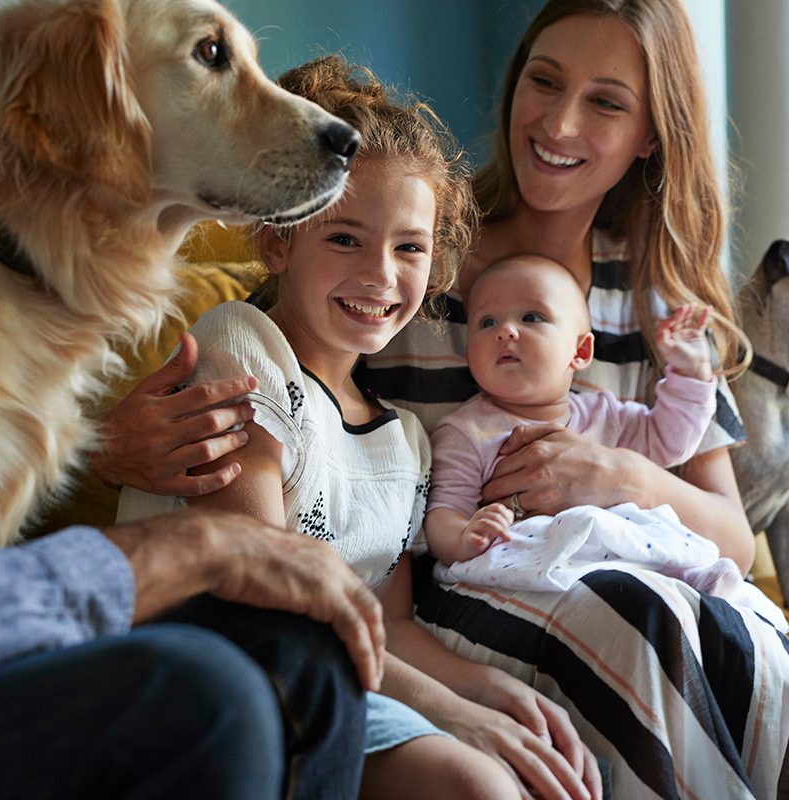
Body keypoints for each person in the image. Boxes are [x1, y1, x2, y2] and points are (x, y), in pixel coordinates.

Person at [97, 1, 789, 796]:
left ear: (651, 133)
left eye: (605, 101)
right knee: (640, 619)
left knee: (729, 632)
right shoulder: (410, 246)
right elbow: (274, 361)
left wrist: (617, 476)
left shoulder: (657, 305)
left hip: (535, 589)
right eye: (544, 80)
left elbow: (732, 541)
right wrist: (103, 443)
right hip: (466, 593)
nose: (560, 122)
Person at [0, 3, 377, 798]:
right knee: (203, 700)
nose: (328, 130)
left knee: (300, 652)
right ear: (89, 108)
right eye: (211, 56)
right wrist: (187, 550)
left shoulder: (24, 282)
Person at [117, 55, 601, 800]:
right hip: (237, 671)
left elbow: (392, 623)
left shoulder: (405, 438)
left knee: (528, 754)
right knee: (481, 786)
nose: (380, 274)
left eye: (409, 247)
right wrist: (449, 713)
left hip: (345, 674)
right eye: (344, 238)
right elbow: (265, 588)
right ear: (279, 242)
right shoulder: (242, 343)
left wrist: (492, 694)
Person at [424, 253, 718, 573]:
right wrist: (463, 537)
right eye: (487, 322)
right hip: (528, 576)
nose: (505, 330)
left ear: (581, 351)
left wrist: (691, 371)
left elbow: (671, 440)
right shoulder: (466, 433)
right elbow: (443, 512)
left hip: (622, 566)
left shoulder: (606, 417)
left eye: (532, 317)